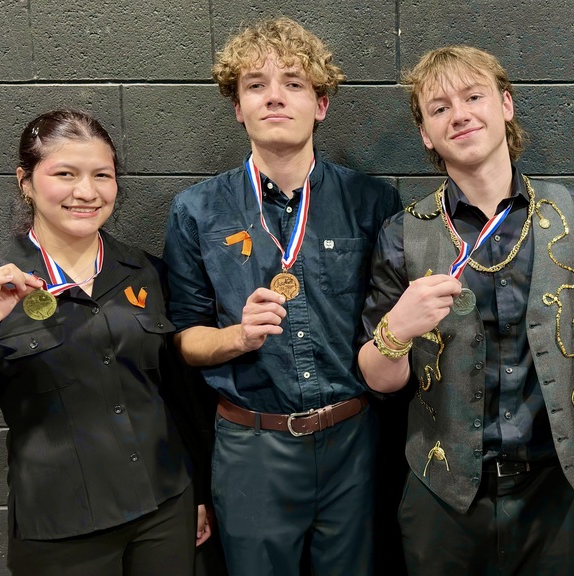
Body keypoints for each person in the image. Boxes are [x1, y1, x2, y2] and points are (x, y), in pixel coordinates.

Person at [0, 110, 212, 575]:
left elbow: (179, 394)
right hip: (62, 531)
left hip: (165, 509)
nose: (86, 192)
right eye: (65, 174)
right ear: (25, 182)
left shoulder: (145, 272)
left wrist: (199, 491)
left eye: (101, 175)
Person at [358, 45, 574, 576]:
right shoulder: (402, 232)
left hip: (556, 487)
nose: (459, 114)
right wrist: (397, 330)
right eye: (438, 108)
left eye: (473, 96)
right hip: (443, 495)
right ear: (427, 135)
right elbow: (379, 380)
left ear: (505, 105)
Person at [162, 16, 401, 576]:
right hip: (252, 447)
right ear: (237, 107)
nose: (274, 97)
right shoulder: (196, 211)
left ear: (320, 104)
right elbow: (185, 341)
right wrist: (236, 337)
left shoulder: (372, 201)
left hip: (353, 441)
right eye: (255, 85)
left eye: (293, 83)